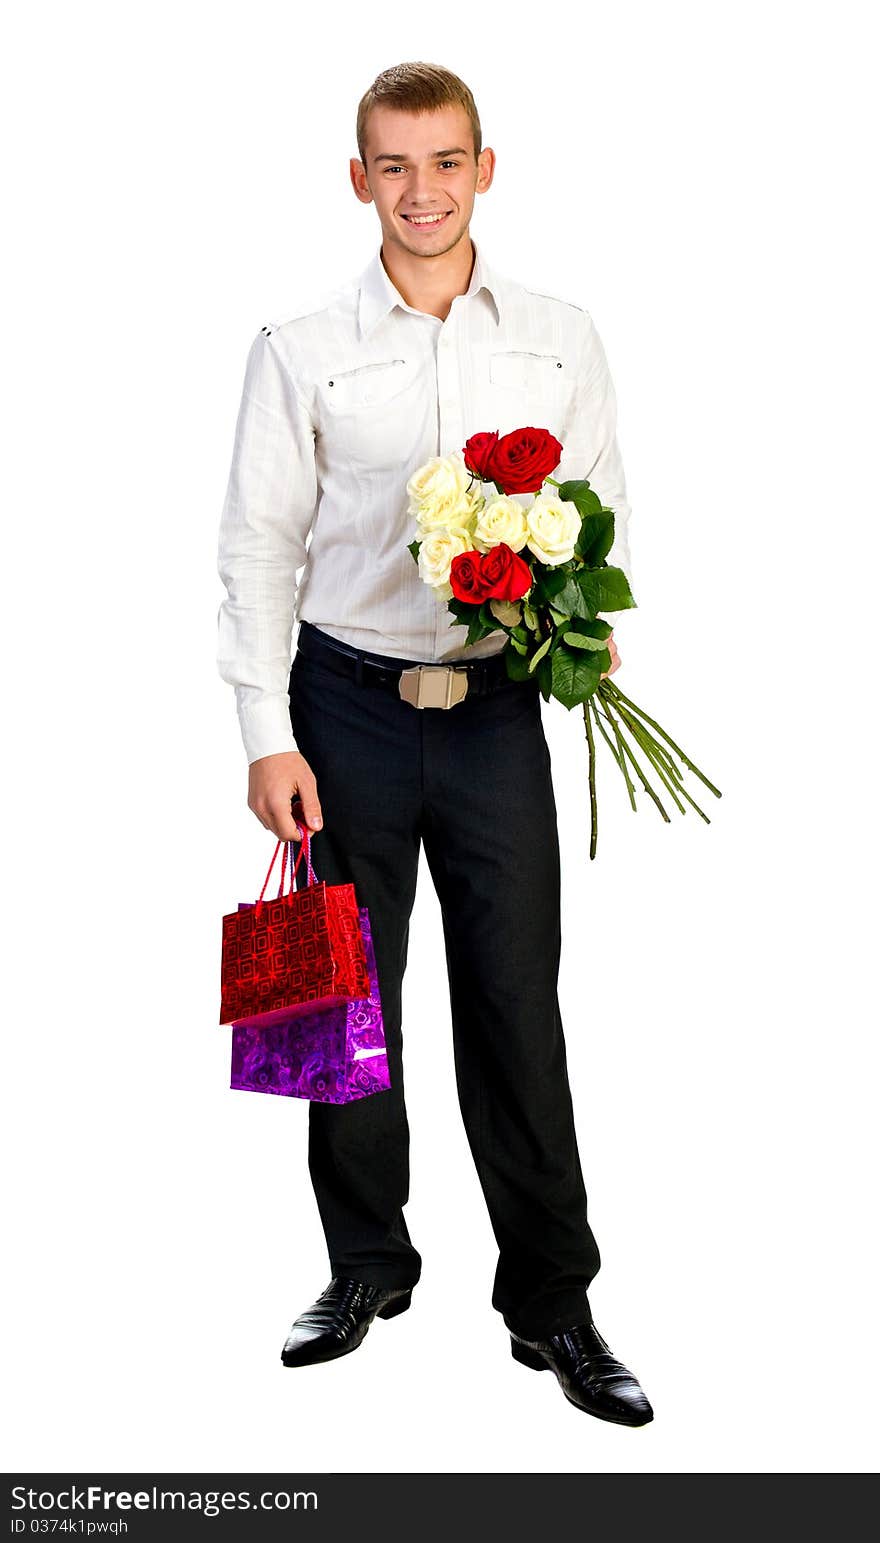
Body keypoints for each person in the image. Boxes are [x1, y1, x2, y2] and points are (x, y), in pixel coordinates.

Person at [216, 60, 653, 1427]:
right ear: (361, 180)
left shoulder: (561, 336)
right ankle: (363, 1268)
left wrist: (582, 624)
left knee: (517, 1005)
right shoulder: (299, 346)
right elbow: (257, 548)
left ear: (485, 169)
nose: (422, 190)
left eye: (446, 161)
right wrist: (265, 734)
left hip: (496, 713)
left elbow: (597, 511)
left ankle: (554, 1305)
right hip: (342, 709)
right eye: (394, 165)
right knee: (338, 1007)